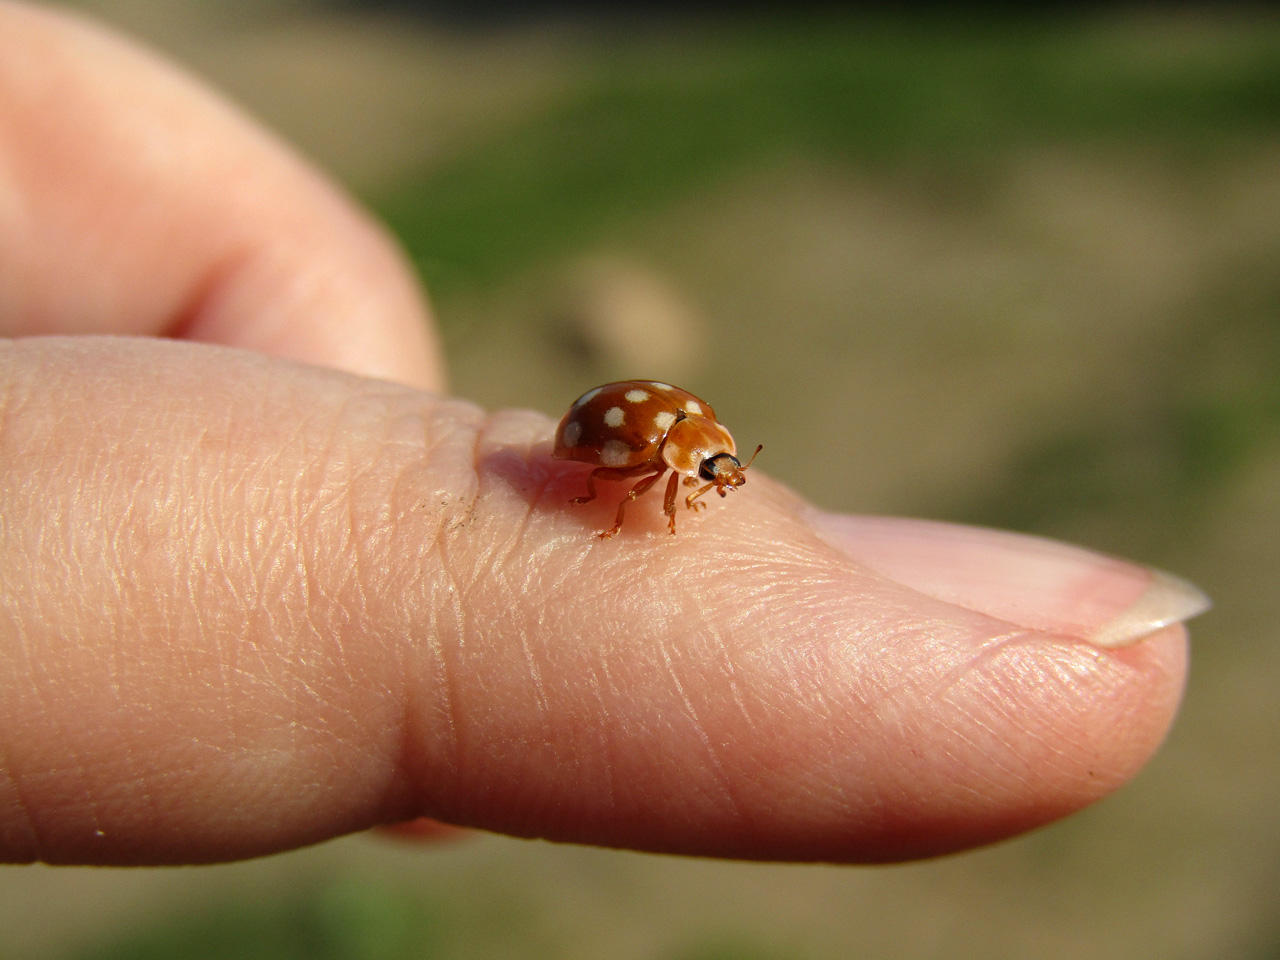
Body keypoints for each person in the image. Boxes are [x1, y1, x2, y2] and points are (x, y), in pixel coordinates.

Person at [0, 1, 1205, 866]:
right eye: (713, 474)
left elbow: (659, 455)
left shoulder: (690, 445)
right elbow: (613, 453)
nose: (712, 483)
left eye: (717, 473)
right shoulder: (651, 456)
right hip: (585, 434)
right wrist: (605, 483)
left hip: (609, 424)